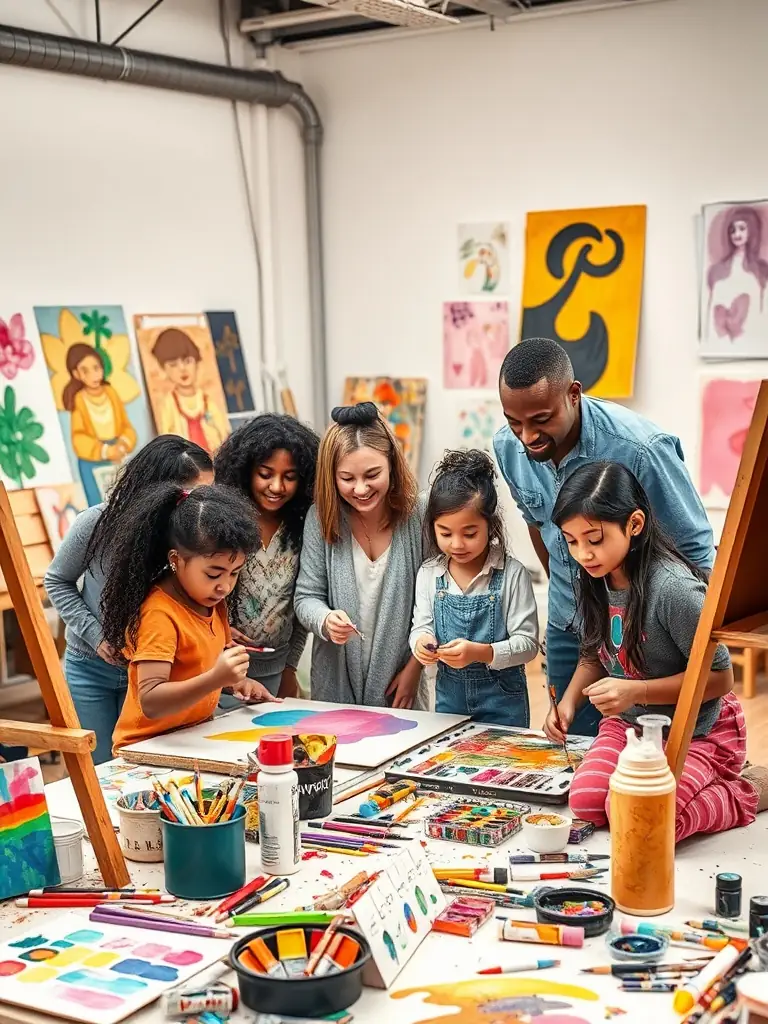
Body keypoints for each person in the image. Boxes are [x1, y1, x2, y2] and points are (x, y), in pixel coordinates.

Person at [494, 337, 714, 736]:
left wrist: (694, 640)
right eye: (515, 422)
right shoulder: (507, 447)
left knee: (655, 755)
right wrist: (581, 588)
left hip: (651, 630)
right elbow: (537, 524)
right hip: (571, 621)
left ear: (574, 395)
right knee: (575, 748)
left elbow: (696, 551)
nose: (526, 436)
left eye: (541, 419)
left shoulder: (641, 449)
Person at [543, 461, 766, 841]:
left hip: (698, 730)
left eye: (594, 539)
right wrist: (568, 703)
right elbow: (594, 654)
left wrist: (637, 690)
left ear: (634, 524)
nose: (583, 553)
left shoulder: (674, 590)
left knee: (644, 821)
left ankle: (748, 788)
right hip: (631, 726)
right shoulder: (594, 577)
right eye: (571, 540)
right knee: (586, 802)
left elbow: (721, 677)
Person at [44, 437, 214, 763]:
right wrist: (96, 636)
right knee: (97, 770)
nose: (199, 505)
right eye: (191, 496)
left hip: (152, 674)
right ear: (156, 490)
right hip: (90, 669)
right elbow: (57, 581)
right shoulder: (94, 523)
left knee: (140, 767)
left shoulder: (185, 535)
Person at [103, 484, 278, 755]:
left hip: (191, 742)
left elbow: (198, 667)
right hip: (145, 751)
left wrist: (237, 683)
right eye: (213, 574)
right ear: (176, 559)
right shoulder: (159, 614)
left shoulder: (211, 601)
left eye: (234, 573)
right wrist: (215, 678)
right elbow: (150, 700)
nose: (224, 586)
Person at [294, 403, 427, 709]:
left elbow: (432, 604)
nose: (361, 489)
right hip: (335, 685)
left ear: (392, 464)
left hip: (400, 684)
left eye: (372, 474)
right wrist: (326, 619)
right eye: (347, 478)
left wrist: (414, 670)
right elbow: (306, 598)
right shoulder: (321, 518)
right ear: (332, 476)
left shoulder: (418, 515)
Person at [410, 449, 539, 725]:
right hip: (449, 706)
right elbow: (421, 627)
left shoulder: (512, 574)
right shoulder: (429, 574)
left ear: (490, 526)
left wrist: (481, 653)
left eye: (469, 534)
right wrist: (421, 643)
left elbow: (528, 645)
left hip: (504, 706)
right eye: (445, 533)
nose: (457, 544)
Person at [214, 414, 320, 699]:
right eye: (265, 474)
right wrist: (219, 633)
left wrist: (290, 668)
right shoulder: (221, 522)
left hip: (276, 669)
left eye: (289, 477)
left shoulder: (302, 528)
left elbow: (300, 605)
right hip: (218, 665)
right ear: (246, 470)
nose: (277, 487)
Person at [63, 343, 137, 505]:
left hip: (117, 454)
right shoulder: (79, 399)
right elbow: (79, 438)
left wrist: (123, 444)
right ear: (76, 374)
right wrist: (105, 451)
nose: (93, 375)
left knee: (126, 503)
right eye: (85, 371)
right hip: (93, 459)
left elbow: (126, 426)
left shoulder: (111, 393)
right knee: (100, 507)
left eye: (96, 368)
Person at [152, 328, 229, 453]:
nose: (182, 369)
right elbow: (165, 438)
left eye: (188, 361)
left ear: (197, 362)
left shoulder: (206, 400)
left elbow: (223, 431)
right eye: (173, 365)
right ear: (163, 369)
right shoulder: (169, 403)